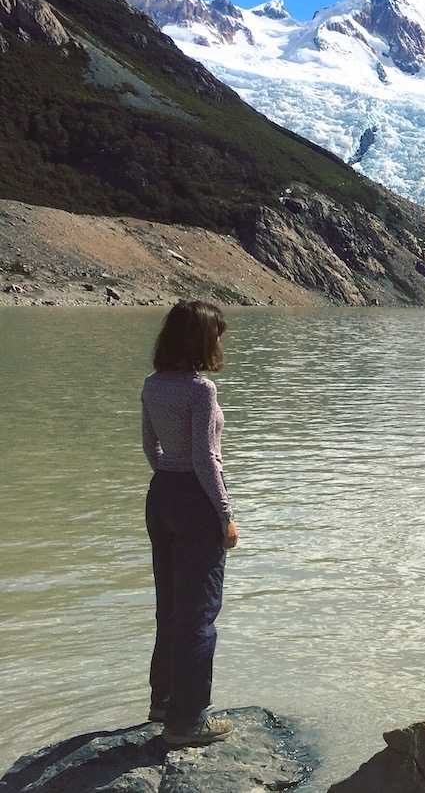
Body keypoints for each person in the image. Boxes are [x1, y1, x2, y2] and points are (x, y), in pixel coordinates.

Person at [140, 300, 239, 746]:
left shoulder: (152, 384)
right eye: (217, 334)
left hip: (161, 494)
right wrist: (226, 514)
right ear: (201, 339)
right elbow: (206, 458)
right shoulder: (201, 391)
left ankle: (162, 703)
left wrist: (168, 474)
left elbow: (149, 447)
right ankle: (190, 720)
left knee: (170, 606)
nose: (221, 342)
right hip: (195, 501)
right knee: (200, 613)